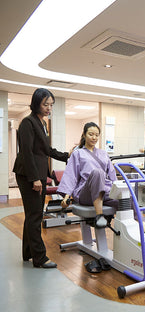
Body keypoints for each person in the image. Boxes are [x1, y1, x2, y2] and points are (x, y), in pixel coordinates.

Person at [13, 88, 69, 269]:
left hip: (37, 174)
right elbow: (27, 152)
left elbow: (47, 150)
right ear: (36, 102)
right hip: (29, 175)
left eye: (51, 105)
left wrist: (68, 156)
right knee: (35, 215)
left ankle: (28, 253)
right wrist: (35, 178)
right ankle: (40, 258)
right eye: (46, 104)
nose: (49, 108)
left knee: (33, 214)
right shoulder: (27, 123)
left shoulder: (42, 123)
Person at [58, 122, 118, 228]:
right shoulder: (77, 154)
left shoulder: (104, 154)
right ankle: (99, 215)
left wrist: (118, 192)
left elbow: (112, 176)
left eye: (96, 135)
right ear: (84, 135)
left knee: (128, 199)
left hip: (104, 191)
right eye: (91, 134)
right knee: (97, 172)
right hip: (85, 194)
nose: (94, 137)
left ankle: (144, 229)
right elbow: (71, 176)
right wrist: (66, 197)